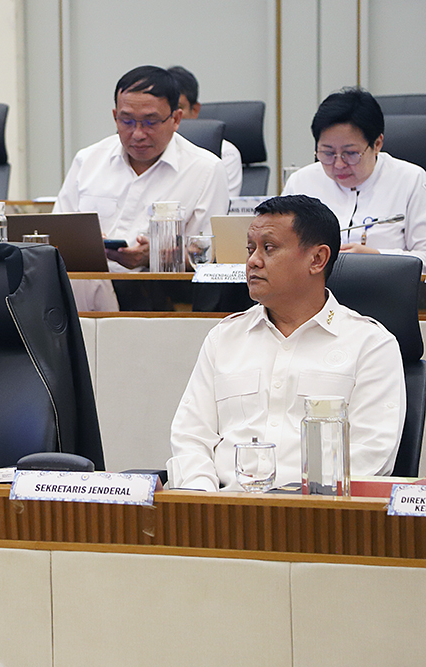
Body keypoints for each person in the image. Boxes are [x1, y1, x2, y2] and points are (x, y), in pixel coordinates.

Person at [169, 195, 405, 492]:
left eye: (269, 248)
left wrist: (287, 506)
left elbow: (371, 455)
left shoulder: (370, 344)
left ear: (317, 259)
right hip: (222, 513)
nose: (253, 261)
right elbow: (191, 436)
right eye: (250, 248)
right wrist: (203, 499)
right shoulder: (225, 336)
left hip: (317, 519)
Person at [54, 66, 229, 311]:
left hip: (155, 289)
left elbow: (209, 256)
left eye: (150, 122)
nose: (137, 134)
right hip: (85, 284)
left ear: (176, 119)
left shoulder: (206, 169)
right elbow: (57, 233)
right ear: (115, 115)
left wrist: (153, 255)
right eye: (126, 121)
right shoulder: (88, 160)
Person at [282, 88, 426, 266]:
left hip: (384, 288)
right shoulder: (301, 181)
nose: (339, 164)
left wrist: (377, 256)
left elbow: (424, 256)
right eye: (327, 153)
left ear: (377, 144)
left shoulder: (411, 180)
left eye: (350, 153)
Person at [167, 66, 243, 198]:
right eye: (167, 108)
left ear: (195, 109)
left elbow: (223, 210)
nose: (173, 115)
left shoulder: (225, 153)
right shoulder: (148, 149)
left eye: (179, 108)